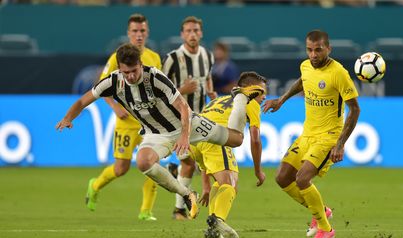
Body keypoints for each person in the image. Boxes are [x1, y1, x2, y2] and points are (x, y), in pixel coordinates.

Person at [56, 43, 265, 221]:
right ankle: (186, 194)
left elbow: (183, 107)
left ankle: (240, 98)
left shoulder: (155, 77)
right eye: (125, 72)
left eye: (134, 71)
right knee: (143, 162)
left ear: (141, 65)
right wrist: (68, 118)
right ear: (119, 69)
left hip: (188, 124)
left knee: (236, 140)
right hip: (156, 133)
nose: (130, 76)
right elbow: (84, 100)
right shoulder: (112, 81)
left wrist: (184, 137)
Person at [262, 30, 360, 238]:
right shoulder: (305, 66)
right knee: (282, 178)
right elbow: (303, 81)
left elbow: (355, 110)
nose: (313, 55)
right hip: (307, 134)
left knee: (303, 178)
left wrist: (340, 144)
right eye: (309, 50)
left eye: (318, 50)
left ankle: (326, 229)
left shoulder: (339, 73)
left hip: (328, 137)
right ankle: (321, 211)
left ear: (328, 49)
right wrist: (282, 99)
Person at [84, 13, 162, 221]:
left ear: (147, 32)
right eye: (135, 31)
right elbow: (100, 88)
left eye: (142, 31)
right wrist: (115, 107)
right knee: (121, 169)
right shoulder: (116, 58)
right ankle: (95, 185)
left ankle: (146, 211)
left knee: (153, 165)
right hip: (127, 122)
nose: (139, 35)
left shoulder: (154, 58)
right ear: (128, 33)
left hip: (150, 124)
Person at [190, 71, 266, 238]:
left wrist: (206, 187)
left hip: (194, 142)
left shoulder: (217, 100)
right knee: (230, 185)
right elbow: (255, 139)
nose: (263, 97)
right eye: (261, 92)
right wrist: (258, 170)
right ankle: (218, 221)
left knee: (221, 183)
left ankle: (213, 229)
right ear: (249, 89)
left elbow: (203, 158)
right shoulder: (250, 101)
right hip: (217, 140)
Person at [162, 16, 217, 220]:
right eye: (188, 31)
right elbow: (160, 92)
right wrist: (181, 89)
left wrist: (211, 92)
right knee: (190, 163)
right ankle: (178, 210)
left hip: (202, 116)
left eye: (195, 30)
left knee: (197, 163)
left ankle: (175, 174)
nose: (192, 34)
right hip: (179, 118)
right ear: (182, 34)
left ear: (201, 33)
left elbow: (208, 77)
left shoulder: (207, 55)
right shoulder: (172, 59)